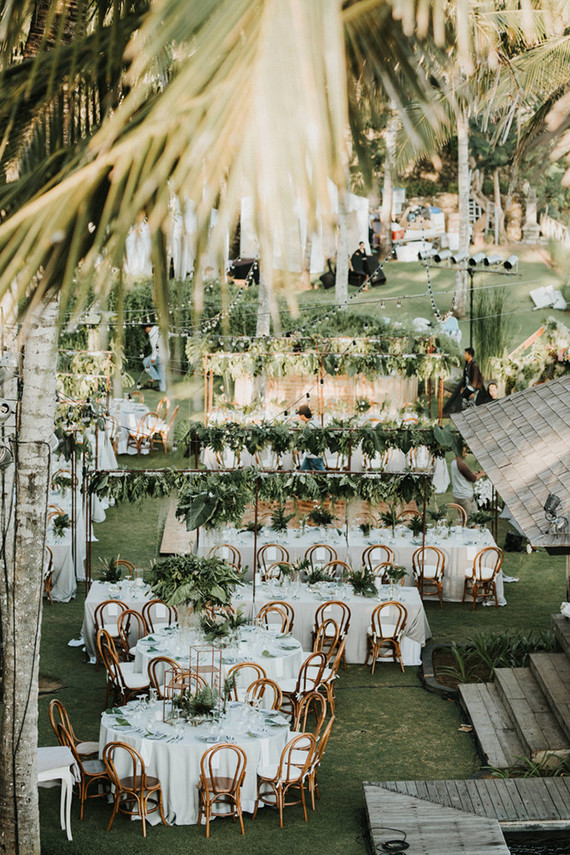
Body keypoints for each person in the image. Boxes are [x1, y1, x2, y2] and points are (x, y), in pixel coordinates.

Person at [442, 347, 484, 415]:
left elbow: (475, 379)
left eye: (466, 354)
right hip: (467, 385)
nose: (464, 355)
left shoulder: (474, 365)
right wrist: (463, 386)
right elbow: (465, 376)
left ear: (470, 355)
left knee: (471, 402)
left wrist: (472, 391)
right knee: (462, 400)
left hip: (473, 387)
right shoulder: (467, 363)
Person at [451, 446, 485, 518]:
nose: (466, 454)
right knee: (472, 519)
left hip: (457, 496)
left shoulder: (453, 462)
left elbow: (463, 475)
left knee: (461, 518)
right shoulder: (462, 465)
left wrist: (475, 474)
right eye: (464, 452)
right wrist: (482, 474)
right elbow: (473, 479)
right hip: (465, 497)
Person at [296, 405, 325, 470]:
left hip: (314, 456)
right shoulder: (315, 422)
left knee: (321, 473)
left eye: (300, 415)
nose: (299, 417)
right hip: (311, 455)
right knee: (302, 472)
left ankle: (330, 477)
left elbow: (306, 440)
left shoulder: (309, 426)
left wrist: (298, 449)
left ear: (303, 415)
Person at [143, 324, 167, 392]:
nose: (145, 331)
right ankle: (162, 389)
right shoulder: (159, 329)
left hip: (159, 354)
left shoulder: (153, 333)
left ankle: (155, 378)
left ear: (147, 328)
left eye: (145, 329)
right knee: (161, 370)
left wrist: (153, 357)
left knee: (145, 362)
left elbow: (155, 346)